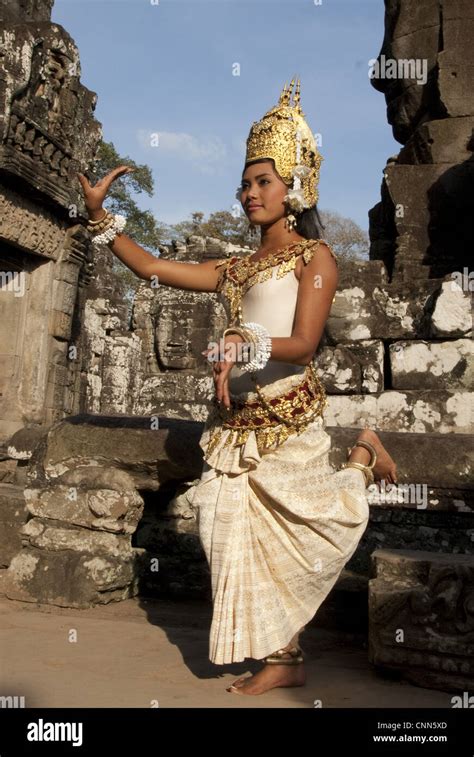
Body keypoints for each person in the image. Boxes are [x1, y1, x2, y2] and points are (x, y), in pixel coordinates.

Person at [77, 76, 397, 697]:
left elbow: (303, 343)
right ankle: (282, 653)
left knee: (308, 526)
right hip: (233, 426)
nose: (249, 192)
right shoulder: (234, 267)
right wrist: (101, 218)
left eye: (263, 182)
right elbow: (149, 266)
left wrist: (241, 345)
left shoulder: (316, 259)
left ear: (295, 188)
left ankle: (360, 458)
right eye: (246, 182)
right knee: (223, 530)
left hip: (286, 420)